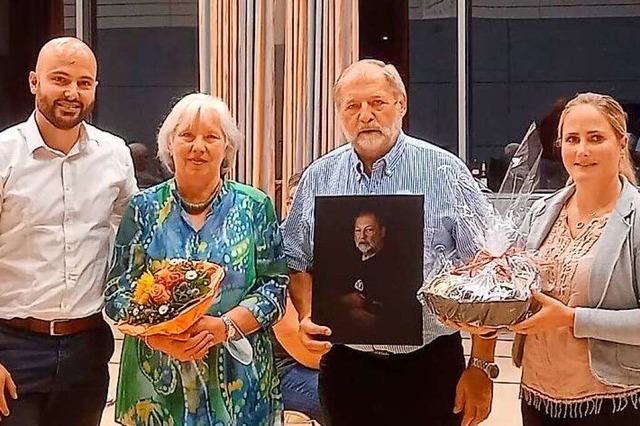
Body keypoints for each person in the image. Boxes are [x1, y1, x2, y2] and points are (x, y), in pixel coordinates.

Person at [282, 59, 497, 426]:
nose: (365, 115)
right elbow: (296, 259)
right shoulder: (319, 177)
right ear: (340, 114)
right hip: (347, 368)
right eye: (352, 106)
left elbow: (486, 273)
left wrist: (481, 365)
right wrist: (305, 315)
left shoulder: (445, 171)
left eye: (377, 103)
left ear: (401, 104)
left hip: (431, 364)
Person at [105, 93, 288, 426]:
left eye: (211, 137)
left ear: (227, 148)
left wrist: (224, 326)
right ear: (169, 145)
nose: (198, 146)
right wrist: (159, 335)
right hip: (157, 381)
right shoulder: (143, 209)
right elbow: (118, 291)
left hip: (238, 381)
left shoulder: (255, 206)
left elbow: (274, 288)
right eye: (186, 136)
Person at [0, 37, 138, 425]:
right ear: (33, 82)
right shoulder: (4, 155)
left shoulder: (115, 155)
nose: (71, 92)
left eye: (84, 82)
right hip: (11, 346)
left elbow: (135, 234)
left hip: (87, 346)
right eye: (59, 79)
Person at [510, 93, 640, 425]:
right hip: (537, 396)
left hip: (612, 404)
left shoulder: (637, 218)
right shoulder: (541, 213)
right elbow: (516, 288)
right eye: (572, 139)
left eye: (595, 138)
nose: (582, 150)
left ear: (621, 143)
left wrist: (572, 319)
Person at [271, 171, 324, 423]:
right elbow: (298, 346)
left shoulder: (331, 248)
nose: (298, 210)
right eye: (292, 201)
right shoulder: (278, 252)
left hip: (330, 360)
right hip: (287, 368)